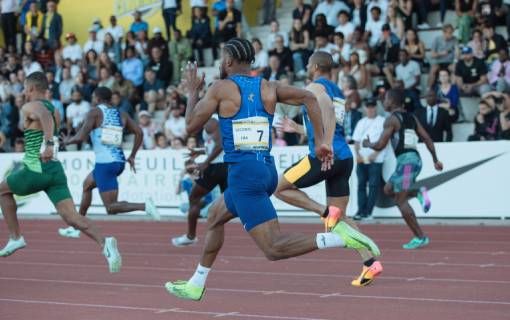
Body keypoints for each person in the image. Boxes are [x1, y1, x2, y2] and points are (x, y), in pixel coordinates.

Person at [165, 38, 380, 301]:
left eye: (223, 58)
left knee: (273, 248)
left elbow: (189, 126)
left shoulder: (220, 89)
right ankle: (196, 283)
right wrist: (322, 141)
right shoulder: (268, 86)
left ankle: (341, 238)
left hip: (245, 176)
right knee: (214, 216)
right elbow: (310, 98)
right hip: (265, 171)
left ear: (229, 61)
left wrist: (192, 92)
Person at [274, 52, 382, 287]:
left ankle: (324, 212)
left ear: (313, 67)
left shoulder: (315, 88)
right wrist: (299, 129)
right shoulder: (338, 91)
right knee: (341, 218)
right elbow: (326, 120)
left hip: (323, 157)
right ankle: (370, 263)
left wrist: (325, 145)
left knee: (278, 187)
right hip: (344, 158)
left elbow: (327, 113)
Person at [0, 72, 121, 272]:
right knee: (72, 218)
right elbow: (48, 118)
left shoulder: (30, 106)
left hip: (36, 168)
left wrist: (47, 144)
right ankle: (105, 242)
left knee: (3, 191)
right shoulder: (55, 109)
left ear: (30, 88)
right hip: (54, 170)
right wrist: (49, 144)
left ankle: (16, 237)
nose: (23, 91)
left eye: (24, 87)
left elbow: (43, 117)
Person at [58, 87, 160, 238]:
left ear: (97, 98)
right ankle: (77, 227)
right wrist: (132, 156)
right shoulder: (121, 114)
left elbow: (81, 137)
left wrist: (66, 142)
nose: (92, 100)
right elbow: (139, 132)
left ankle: (145, 206)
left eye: (93, 97)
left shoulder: (94, 112)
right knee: (87, 186)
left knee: (111, 208)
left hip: (105, 164)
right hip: (119, 161)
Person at [363, 89, 444, 249]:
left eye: (385, 99)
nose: (383, 102)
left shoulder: (391, 120)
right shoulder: (411, 117)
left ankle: (420, 237)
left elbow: (380, 145)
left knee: (401, 200)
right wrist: (435, 160)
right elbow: (427, 138)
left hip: (407, 164)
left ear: (392, 101)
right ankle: (419, 192)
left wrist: (368, 144)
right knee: (388, 189)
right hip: (411, 161)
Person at [171, 116, 228, 247]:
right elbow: (216, 145)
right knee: (232, 204)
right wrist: (199, 151)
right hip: (224, 165)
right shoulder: (212, 121)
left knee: (194, 197)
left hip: (217, 166)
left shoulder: (211, 121)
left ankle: (191, 236)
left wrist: (205, 163)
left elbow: (221, 144)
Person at [352, 100, 387, 221]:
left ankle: (368, 212)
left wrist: (376, 154)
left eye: (372, 107)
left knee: (373, 185)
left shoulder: (382, 121)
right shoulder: (361, 122)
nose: (370, 109)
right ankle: (360, 211)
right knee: (361, 185)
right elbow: (356, 141)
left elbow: (384, 140)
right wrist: (357, 155)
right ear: (365, 108)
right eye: (368, 107)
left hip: (376, 159)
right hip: (362, 159)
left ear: (376, 108)